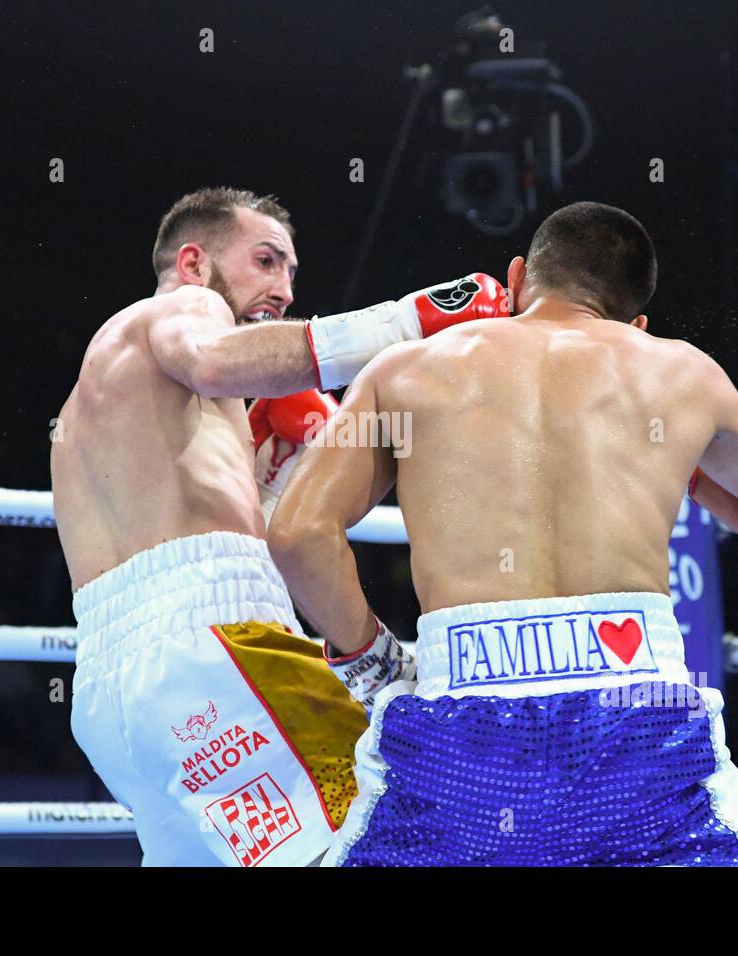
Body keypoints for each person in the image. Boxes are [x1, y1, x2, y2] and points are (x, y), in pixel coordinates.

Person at [267, 200, 738, 866]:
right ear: (636, 321)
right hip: (639, 724)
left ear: (515, 279)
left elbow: (297, 534)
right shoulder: (678, 370)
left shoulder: (405, 370)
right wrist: (689, 465)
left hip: (461, 735)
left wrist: (373, 661)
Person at [51, 186, 508, 866]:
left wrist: (269, 478)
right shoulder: (183, 309)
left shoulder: (127, 402)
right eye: (266, 262)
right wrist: (406, 322)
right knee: (401, 829)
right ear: (194, 261)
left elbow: (212, 534)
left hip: (114, 699)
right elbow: (209, 361)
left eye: (292, 271)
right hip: (217, 653)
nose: (286, 288)